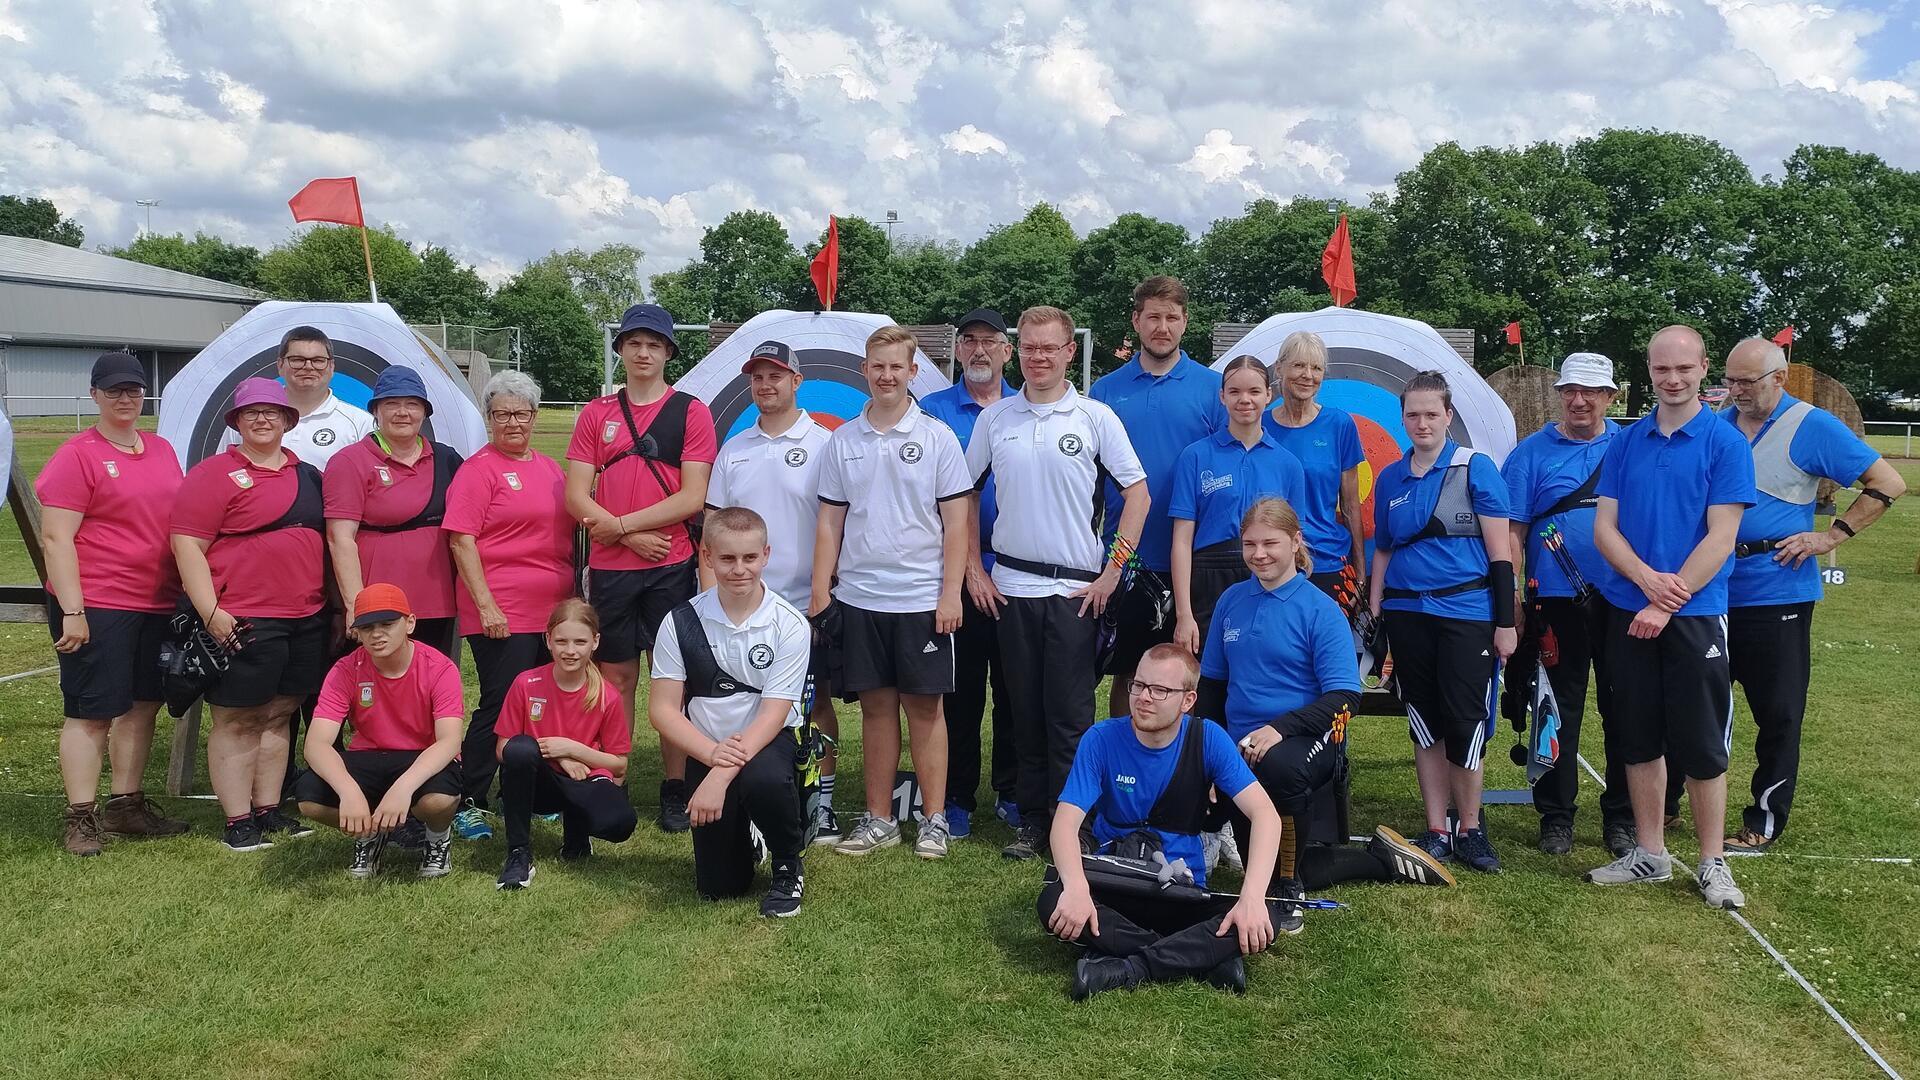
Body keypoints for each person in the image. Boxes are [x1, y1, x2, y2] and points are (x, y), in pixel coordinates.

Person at [1199, 497, 1456, 914]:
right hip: (1240, 741)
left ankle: (1289, 886)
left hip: (1307, 737)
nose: (1259, 554)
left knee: (1277, 768)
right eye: (1249, 545)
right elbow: (1211, 687)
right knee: (1246, 859)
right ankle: (1379, 859)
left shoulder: (1319, 609)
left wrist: (1280, 727)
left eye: (1271, 543)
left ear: (1295, 541)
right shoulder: (1231, 601)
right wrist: (1205, 750)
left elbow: (1345, 697)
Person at [967, 306, 1149, 860]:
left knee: (1070, 715)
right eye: (1028, 347)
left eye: (1049, 348)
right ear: (1016, 350)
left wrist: (1113, 572)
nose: (1038, 358)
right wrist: (974, 567)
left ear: (1071, 351)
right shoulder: (995, 419)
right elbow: (962, 495)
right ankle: (1031, 819)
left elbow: (1137, 494)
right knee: (1021, 710)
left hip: (1075, 591)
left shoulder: (1094, 417)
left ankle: (1072, 823)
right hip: (1013, 587)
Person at [1586, 325, 1754, 909]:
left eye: (1683, 368)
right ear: (1649, 371)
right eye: (1662, 369)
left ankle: (1713, 862)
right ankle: (1651, 854)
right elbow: (1604, 528)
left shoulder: (1724, 442)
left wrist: (1663, 602)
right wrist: (1642, 584)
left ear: (1704, 368)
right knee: (1636, 736)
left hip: (1694, 614)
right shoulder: (1626, 441)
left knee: (1703, 743)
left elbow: (1722, 536)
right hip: (1627, 610)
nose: (1673, 379)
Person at [1718, 337, 1903, 854]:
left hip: (1776, 591)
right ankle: (1666, 805)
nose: (1736, 391)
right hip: (1710, 591)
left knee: (1777, 715)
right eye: (1730, 380)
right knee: (1693, 705)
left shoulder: (1812, 425)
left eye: (1747, 382)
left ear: (1779, 377)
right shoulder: (1720, 423)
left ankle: (1764, 817)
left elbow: (1887, 482)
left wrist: (1830, 536)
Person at [1038, 645, 1283, 1000]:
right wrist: (1076, 888)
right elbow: (1064, 824)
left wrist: (1252, 897)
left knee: (1267, 917)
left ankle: (1127, 968)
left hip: (1181, 894)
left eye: (1160, 691)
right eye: (1138, 685)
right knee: (1053, 899)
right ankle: (1202, 959)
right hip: (1115, 886)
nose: (1143, 698)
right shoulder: (1101, 739)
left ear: (1187, 701)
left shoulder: (1208, 738)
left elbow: (1266, 816)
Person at [812, 325, 969, 859]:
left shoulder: (937, 437)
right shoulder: (843, 440)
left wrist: (951, 594)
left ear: (911, 372)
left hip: (922, 599)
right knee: (876, 709)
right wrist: (820, 590)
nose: (886, 376)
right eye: (877, 366)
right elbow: (830, 522)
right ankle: (879, 818)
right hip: (860, 597)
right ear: (864, 370)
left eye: (896, 367)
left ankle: (934, 819)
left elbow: (957, 523)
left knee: (925, 711)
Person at [565, 303, 717, 833]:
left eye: (654, 344)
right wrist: (626, 534)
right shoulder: (596, 413)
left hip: (669, 563)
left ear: (668, 352)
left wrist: (620, 524)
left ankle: (675, 785)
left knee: (670, 677)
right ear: (622, 350)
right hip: (612, 567)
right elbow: (575, 495)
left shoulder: (690, 411)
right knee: (615, 675)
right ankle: (616, 777)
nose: (644, 352)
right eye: (634, 344)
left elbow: (694, 496)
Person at [37, 350, 191, 855]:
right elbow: (56, 538)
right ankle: (80, 817)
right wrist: (74, 610)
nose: (125, 398)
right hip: (98, 600)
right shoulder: (77, 454)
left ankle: (126, 805)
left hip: (155, 600)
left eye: (132, 390)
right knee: (91, 711)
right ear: (94, 396)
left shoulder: (163, 450)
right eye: (113, 391)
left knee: (141, 705)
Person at [1368, 371, 1516, 874]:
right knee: (1425, 723)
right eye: (1413, 414)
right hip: (1408, 614)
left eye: (1432, 413)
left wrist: (1505, 622)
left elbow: (1501, 556)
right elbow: (1384, 549)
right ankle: (1436, 830)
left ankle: (1470, 829)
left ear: (1448, 416)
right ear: (1403, 418)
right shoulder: (1391, 477)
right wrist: (1375, 610)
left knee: (1465, 722)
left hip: (1466, 613)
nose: (1423, 423)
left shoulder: (1474, 468)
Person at [171, 378, 329, 852]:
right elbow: (188, 546)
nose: (263, 419)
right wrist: (212, 611)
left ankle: (267, 809)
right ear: (236, 422)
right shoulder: (213, 474)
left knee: (279, 714)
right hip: (242, 617)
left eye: (272, 412)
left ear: (287, 420)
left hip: (305, 616)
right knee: (237, 718)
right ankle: (237, 820)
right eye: (251, 413)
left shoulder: (308, 476)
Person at [703, 340, 840, 842]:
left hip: (804, 599)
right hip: (739, 601)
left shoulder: (826, 442)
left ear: (797, 382)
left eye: (776, 376)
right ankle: (745, 793)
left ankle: (821, 803)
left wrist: (822, 592)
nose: (766, 385)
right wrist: (707, 600)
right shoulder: (735, 448)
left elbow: (835, 522)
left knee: (814, 702)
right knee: (742, 700)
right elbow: (714, 525)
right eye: (758, 377)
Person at [1501, 352, 1633, 856]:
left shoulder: (1630, 445)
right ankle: (1556, 816)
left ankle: (1621, 817)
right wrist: (1513, 593)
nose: (1579, 400)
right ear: (1560, 394)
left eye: (1592, 392)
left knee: (1627, 709)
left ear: (1610, 397)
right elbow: (1513, 529)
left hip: (1623, 598)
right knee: (1556, 710)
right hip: (1554, 599)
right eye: (1570, 391)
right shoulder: (1532, 453)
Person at [651, 507, 812, 917]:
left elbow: (774, 715)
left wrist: (718, 776)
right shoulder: (679, 621)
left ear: (766, 555)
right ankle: (748, 835)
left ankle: (787, 863)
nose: (739, 569)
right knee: (719, 888)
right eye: (727, 558)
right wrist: (709, 757)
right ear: (706, 557)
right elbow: (663, 712)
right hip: (709, 746)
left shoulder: (789, 623)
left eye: (749, 558)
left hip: (766, 744)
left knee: (763, 780)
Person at [444, 370, 576, 840]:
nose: (513, 423)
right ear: (488, 418)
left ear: (536, 416)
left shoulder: (550, 468)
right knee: (501, 704)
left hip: (553, 610)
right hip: (503, 610)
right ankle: (467, 797)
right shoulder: (477, 471)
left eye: (521, 413)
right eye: (502, 414)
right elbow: (461, 542)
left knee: (542, 703)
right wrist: (486, 607)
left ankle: (531, 792)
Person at [1090, 276, 1225, 719]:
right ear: (1136, 321)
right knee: (1130, 676)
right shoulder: (1107, 391)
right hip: (1128, 557)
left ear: (1185, 322)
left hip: (1196, 559)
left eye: (1171, 317)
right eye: (1153, 317)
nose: (1162, 327)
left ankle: (1185, 775)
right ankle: (1125, 771)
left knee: (1191, 675)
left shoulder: (1213, 388)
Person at [919, 307, 1019, 837]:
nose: (980, 350)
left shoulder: (1029, 408)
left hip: (1019, 576)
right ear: (957, 351)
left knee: (1013, 688)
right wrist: (965, 572)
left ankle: (1010, 790)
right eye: (970, 341)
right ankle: (956, 795)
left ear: (1009, 351)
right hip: (953, 576)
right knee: (957, 692)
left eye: (991, 342)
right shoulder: (932, 411)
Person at [292, 584, 465, 879]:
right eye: (367, 627)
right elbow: (317, 745)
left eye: (388, 623)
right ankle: (370, 834)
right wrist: (349, 792)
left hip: (421, 757)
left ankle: (437, 839)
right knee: (309, 797)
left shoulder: (439, 667)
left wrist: (403, 787)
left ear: (409, 623)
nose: (377, 634)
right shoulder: (346, 669)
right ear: (357, 632)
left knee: (439, 799)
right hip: (369, 757)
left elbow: (449, 741)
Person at [493, 598, 638, 889]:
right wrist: (559, 757)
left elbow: (619, 764)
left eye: (580, 642)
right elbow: (502, 749)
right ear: (548, 640)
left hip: (585, 779)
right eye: (561, 641)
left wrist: (572, 749)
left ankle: (577, 829)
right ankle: (519, 853)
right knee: (519, 750)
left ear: (595, 642)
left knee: (620, 823)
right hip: (541, 782)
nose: (570, 651)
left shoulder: (606, 695)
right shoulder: (526, 683)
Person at [324, 365, 465, 659]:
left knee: (430, 682)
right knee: (377, 687)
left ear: (424, 413)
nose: (403, 412)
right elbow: (340, 538)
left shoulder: (447, 459)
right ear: (376, 410)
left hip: (436, 599)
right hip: (377, 600)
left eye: (412, 404)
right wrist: (354, 604)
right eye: (392, 404)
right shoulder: (350, 461)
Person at [1170, 354, 1305, 655]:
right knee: (1208, 676)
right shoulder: (1195, 456)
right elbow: (1181, 540)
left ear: (1269, 395)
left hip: (1267, 574)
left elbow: (1297, 544)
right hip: (1208, 579)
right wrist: (1184, 614)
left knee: (1262, 667)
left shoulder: (1288, 464)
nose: (1245, 400)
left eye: (1254, 391)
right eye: (1235, 391)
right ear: (1222, 396)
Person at [1263, 331, 1369, 608]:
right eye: (1298, 365)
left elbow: (1350, 506)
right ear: (1279, 368)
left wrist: (1360, 572)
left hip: (1327, 562)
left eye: (1316, 367)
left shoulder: (1339, 425)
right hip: (1271, 562)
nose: (1308, 375)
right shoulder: (1258, 426)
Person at [218, 326, 373, 467]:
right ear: (280, 365)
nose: (308, 367)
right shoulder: (247, 420)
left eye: (318, 360)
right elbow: (221, 473)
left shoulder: (361, 424)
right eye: (297, 360)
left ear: (331, 367)